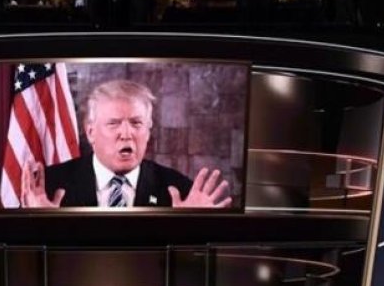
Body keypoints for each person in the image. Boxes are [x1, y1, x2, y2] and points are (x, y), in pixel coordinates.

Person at [20, 79, 232, 209]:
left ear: (148, 131)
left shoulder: (179, 189)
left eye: (136, 123)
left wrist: (194, 227)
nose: (126, 134)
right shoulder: (50, 186)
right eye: (113, 123)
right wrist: (39, 223)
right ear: (90, 131)